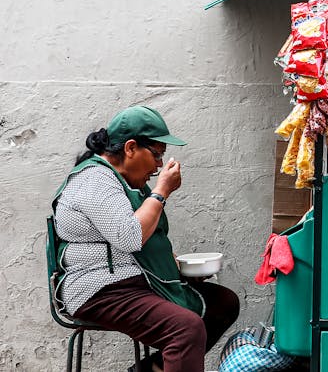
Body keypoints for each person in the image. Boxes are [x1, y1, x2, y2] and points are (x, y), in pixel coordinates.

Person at [51, 105, 239, 372]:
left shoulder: (123, 182)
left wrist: (177, 270)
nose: (160, 165)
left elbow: (150, 238)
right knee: (184, 329)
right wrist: (161, 191)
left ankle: (153, 369)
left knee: (223, 303)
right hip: (100, 289)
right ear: (130, 148)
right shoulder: (95, 179)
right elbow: (129, 237)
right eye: (157, 155)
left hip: (137, 281)